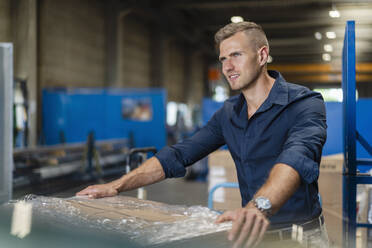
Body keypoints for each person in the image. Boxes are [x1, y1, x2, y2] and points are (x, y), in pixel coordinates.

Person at [77, 21, 329, 248]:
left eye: (236, 55)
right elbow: (179, 153)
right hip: (252, 237)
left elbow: (296, 157)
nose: (228, 67)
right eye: (222, 59)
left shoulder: (304, 104)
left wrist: (257, 207)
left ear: (262, 55)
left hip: (300, 238)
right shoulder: (229, 113)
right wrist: (115, 186)